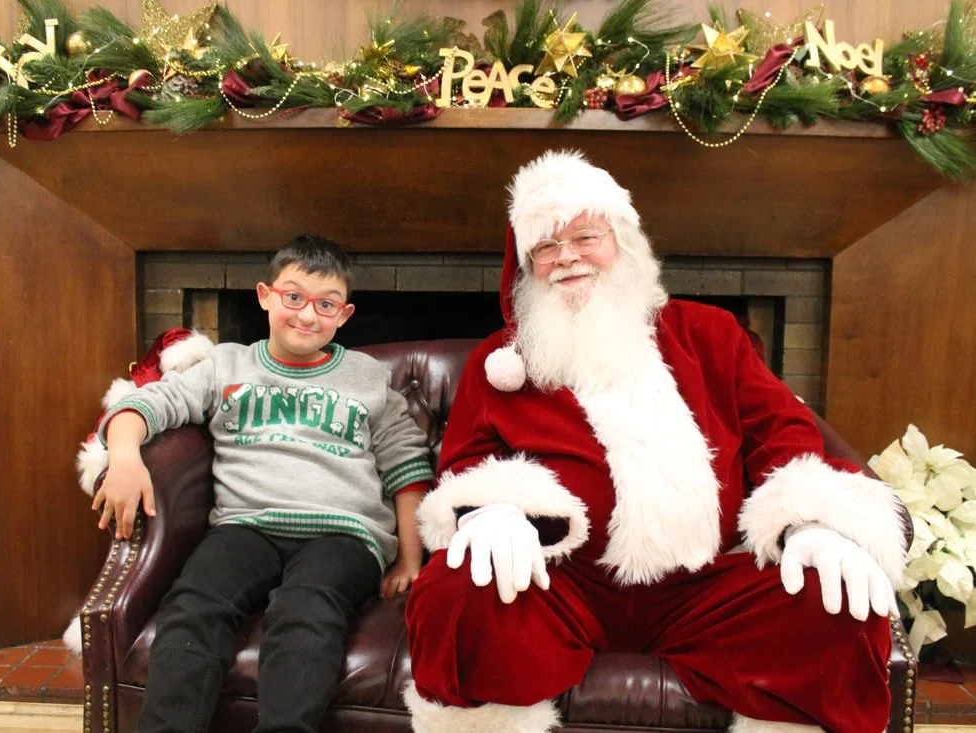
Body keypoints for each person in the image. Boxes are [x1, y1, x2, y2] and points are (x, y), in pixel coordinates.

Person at [403, 150, 908, 733]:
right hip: (559, 584)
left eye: (585, 237)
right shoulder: (498, 365)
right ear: (525, 267)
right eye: (545, 246)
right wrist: (491, 511)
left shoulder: (712, 334)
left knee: (834, 605)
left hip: (707, 586)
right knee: (455, 594)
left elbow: (782, 431)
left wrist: (811, 523)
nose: (566, 257)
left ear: (622, 242)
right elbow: (466, 461)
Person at [91, 234, 434, 733]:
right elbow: (147, 404)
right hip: (245, 527)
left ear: (343, 315)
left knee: (305, 609)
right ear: (265, 296)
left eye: (325, 304)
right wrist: (124, 458)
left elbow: (407, 464)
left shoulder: (366, 378)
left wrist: (409, 559)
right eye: (293, 296)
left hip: (343, 535)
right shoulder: (226, 365)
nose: (307, 315)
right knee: (193, 606)